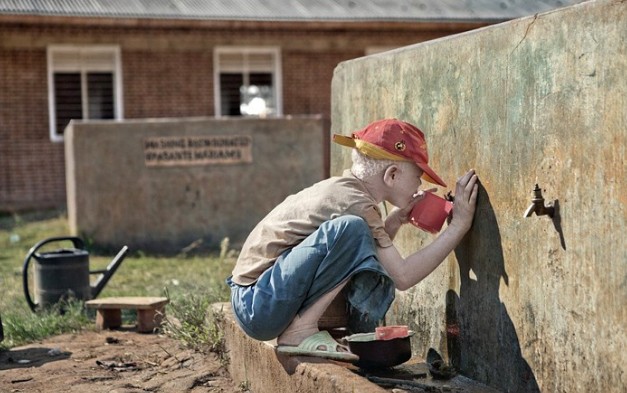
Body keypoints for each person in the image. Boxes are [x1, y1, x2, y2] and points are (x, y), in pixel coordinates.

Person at [226, 118, 478, 362]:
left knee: (355, 235)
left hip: (257, 301)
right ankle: (299, 332)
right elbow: (401, 276)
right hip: (257, 303)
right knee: (352, 228)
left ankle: (304, 327)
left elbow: (358, 256)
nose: (419, 184)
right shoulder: (356, 205)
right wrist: (458, 226)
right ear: (391, 175)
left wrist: (393, 222)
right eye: (417, 175)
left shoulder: (348, 192)